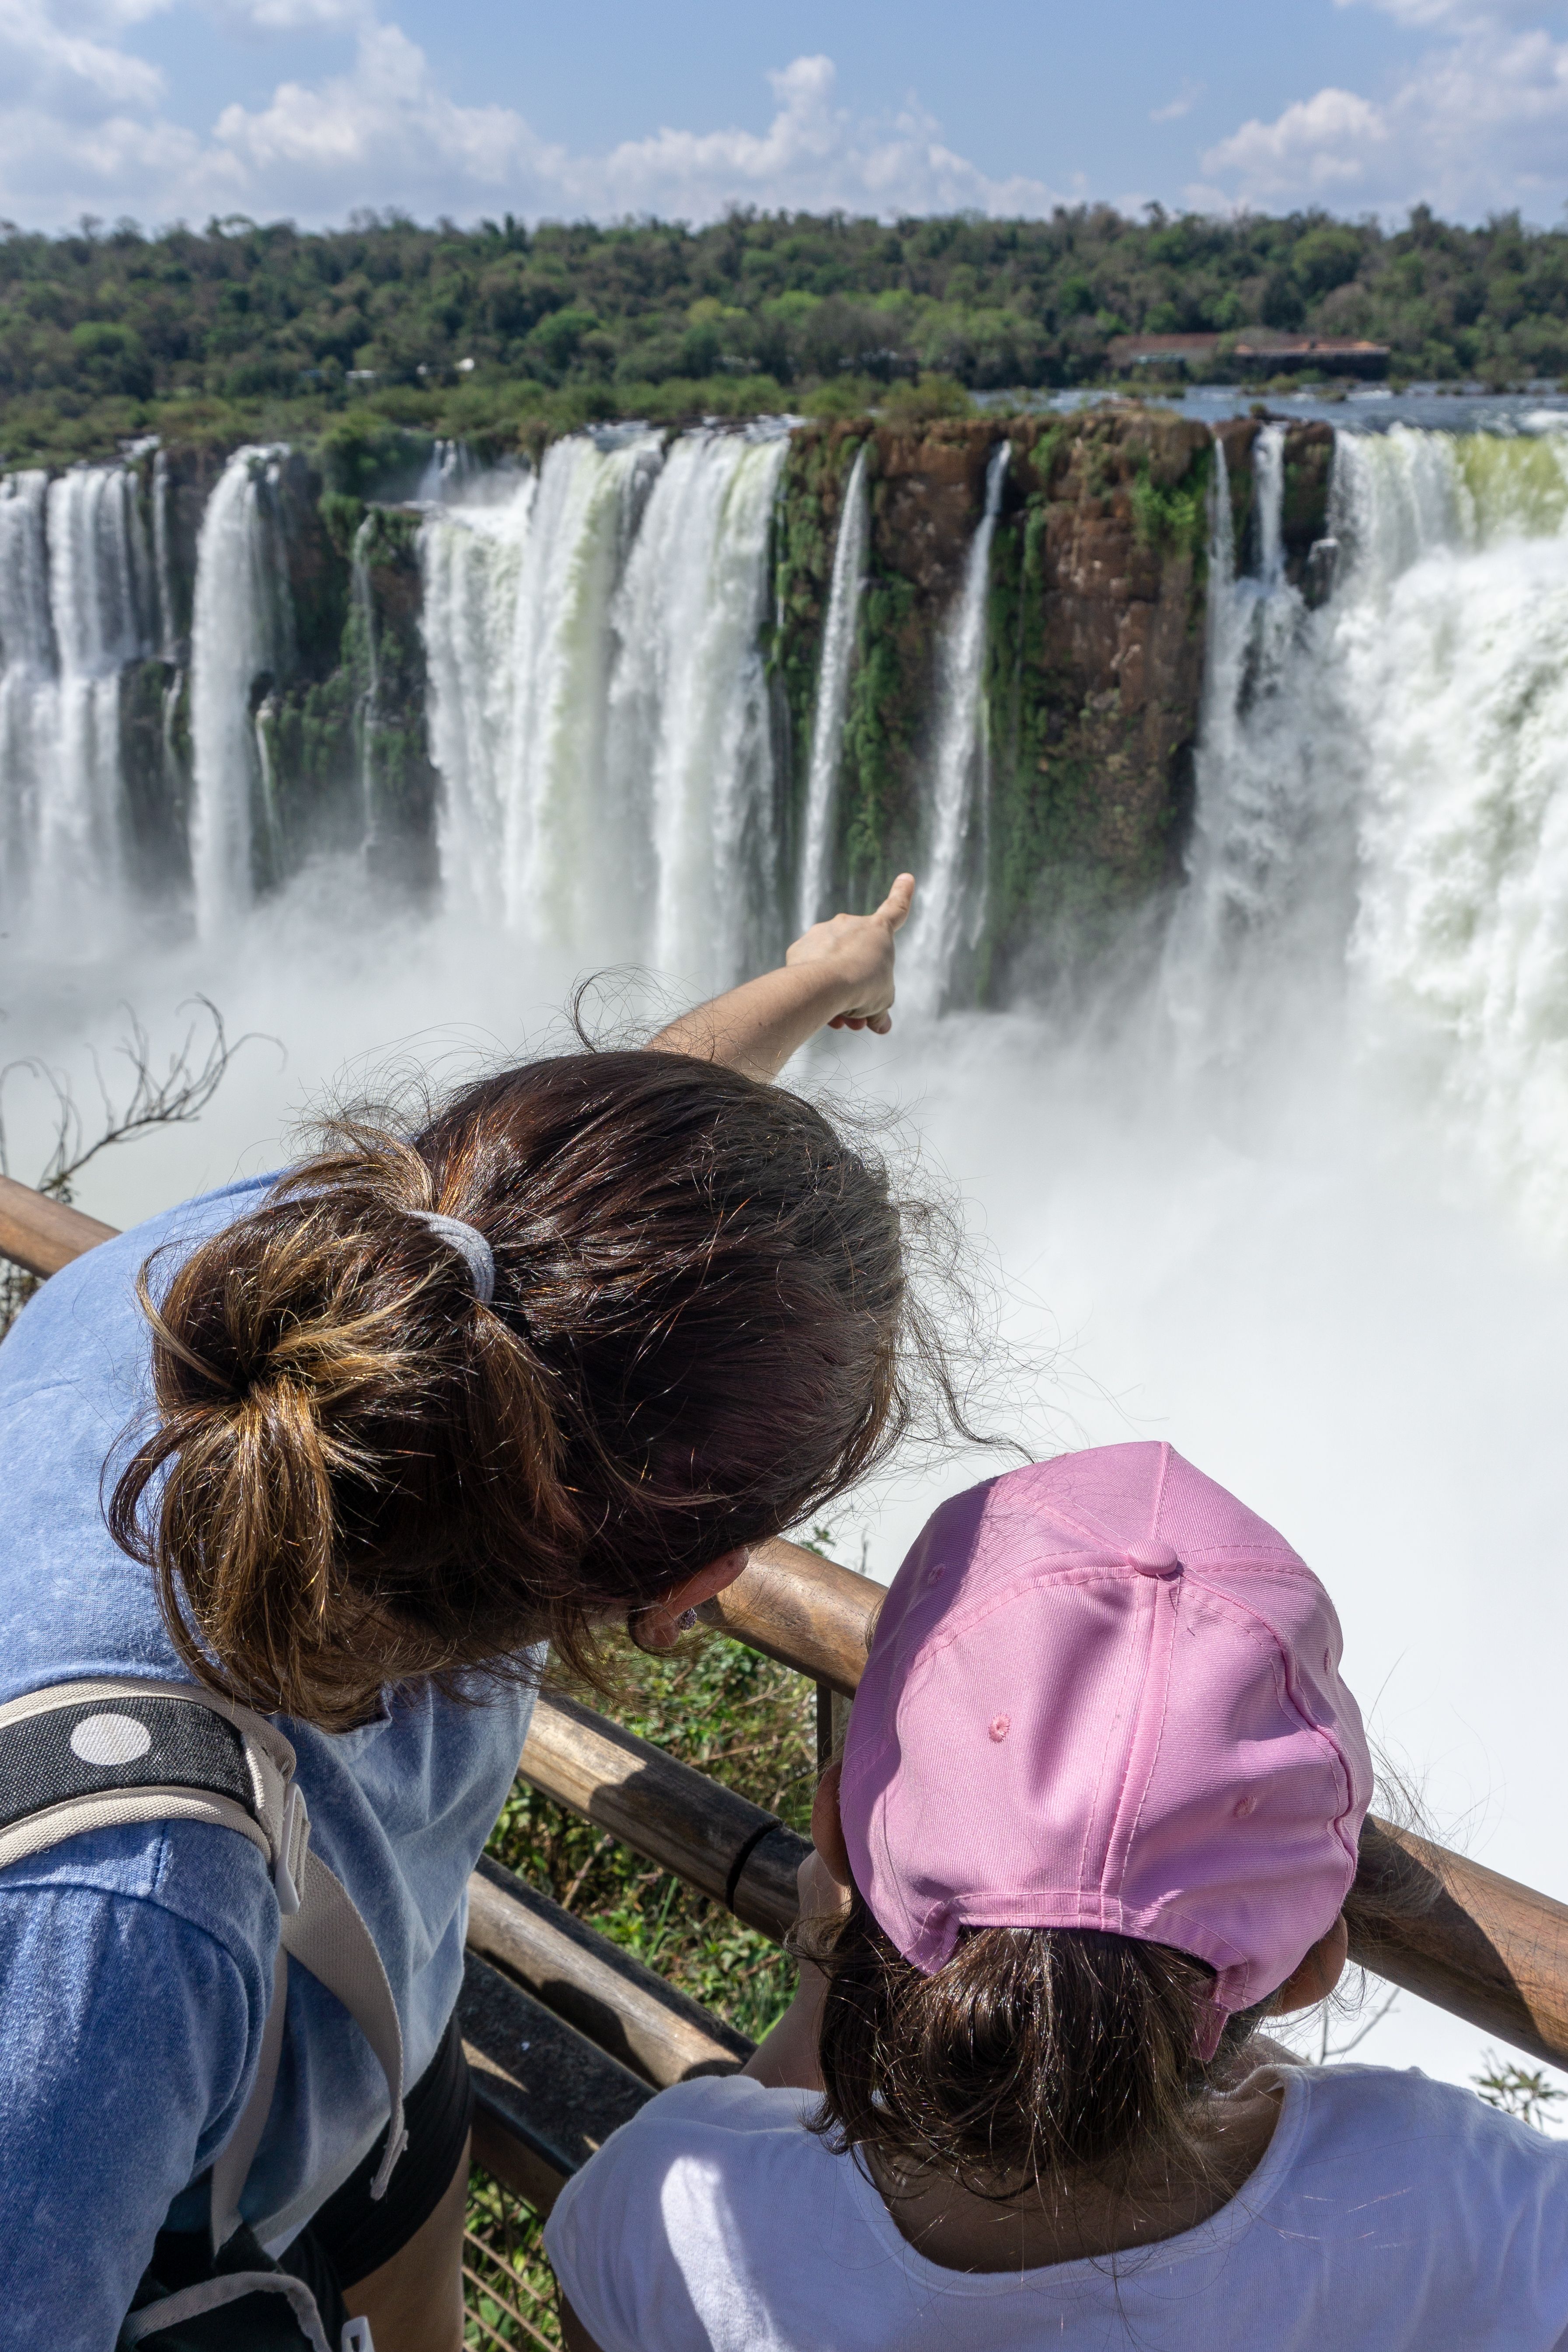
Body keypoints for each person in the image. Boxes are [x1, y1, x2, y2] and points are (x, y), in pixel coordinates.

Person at [0, 878, 937, 2352]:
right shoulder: (121, 1924)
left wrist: (816, 977)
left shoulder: (346, 1286)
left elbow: (617, 1193)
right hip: (182, 2197)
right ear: (685, 1593)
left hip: (361, 2018)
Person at [545, 1441, 1568, 2350]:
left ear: (836, 1847)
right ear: (1308, 1971)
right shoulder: (1470, 2203)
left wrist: (820, 2004)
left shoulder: (663, 2217)